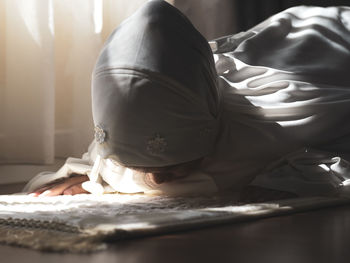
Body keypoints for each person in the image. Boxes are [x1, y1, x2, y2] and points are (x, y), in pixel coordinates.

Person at [25, 1, 350, 197]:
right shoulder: (148, 101)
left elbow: (332, 166)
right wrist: (95, 174)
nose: (159, 182)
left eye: (172, 169)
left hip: (332, 34)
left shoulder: (278, 120)